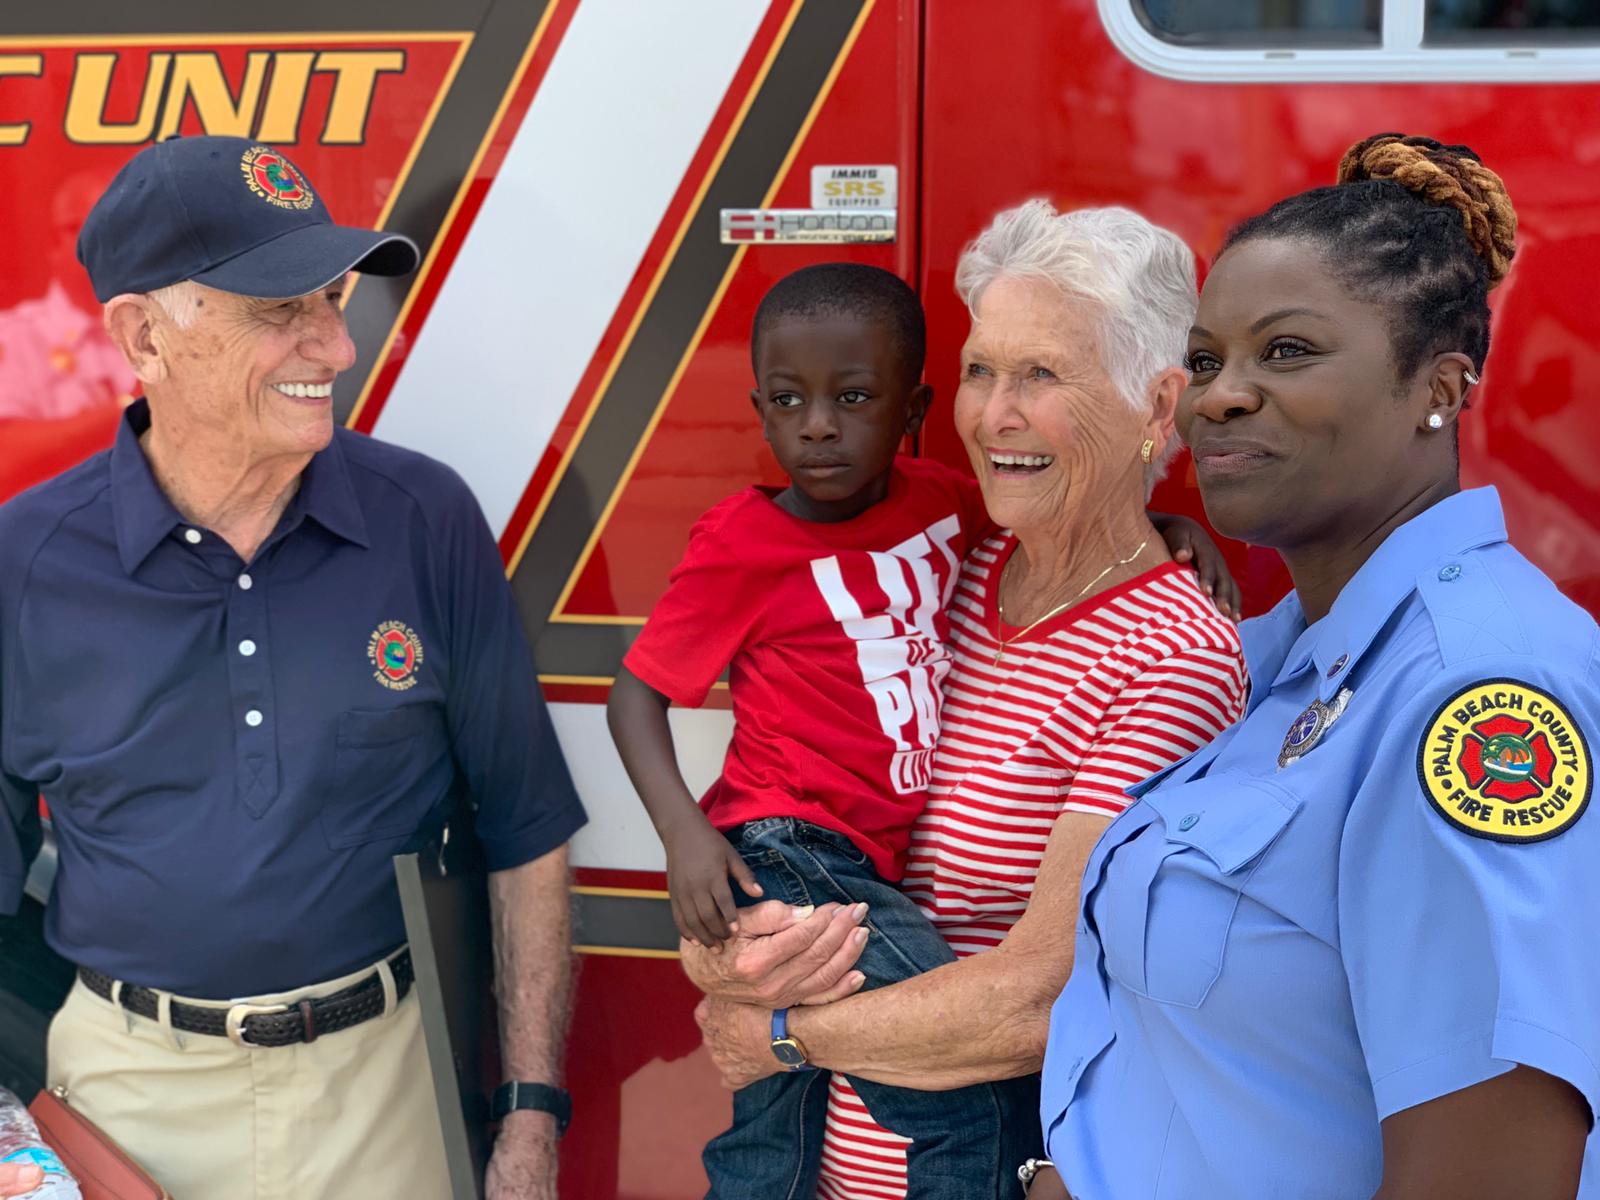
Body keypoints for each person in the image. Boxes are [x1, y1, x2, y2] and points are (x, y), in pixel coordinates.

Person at [0, 136, 586, 1200]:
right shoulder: (23, 564)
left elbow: (526, 829)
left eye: (333, 299)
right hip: (123, 1097)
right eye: (282, 311)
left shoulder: (425, 521)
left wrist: (531, 1117)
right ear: (144, 338)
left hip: (386, 1093)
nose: (337, 345)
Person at [1029, 134, 1599, 1200]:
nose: (1218, 399)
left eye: (1285, 352)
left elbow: (1488, 1178)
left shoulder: (1473, 700)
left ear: (1437, 388)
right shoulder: (1272, 659)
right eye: (1205, 361)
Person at [681, 206, 1249, 1200]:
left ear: (1158, 409)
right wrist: (722, 952)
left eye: (1041, 376)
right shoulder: (939, 568)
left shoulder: (1172, 654)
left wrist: (779, 1032)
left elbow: (1041, 991)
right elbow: (778, 827)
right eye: (983, 371)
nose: (993, 416)